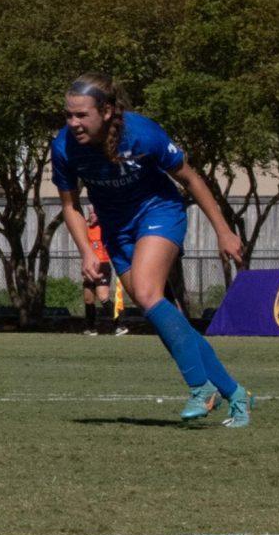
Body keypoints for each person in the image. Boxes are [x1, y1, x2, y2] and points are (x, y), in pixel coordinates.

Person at [53, 73, 252, 427]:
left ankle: (200, 389)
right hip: (117, 229)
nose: (73, 123)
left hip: (159, 212)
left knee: (147, 292)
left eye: (82, 115)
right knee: (160, 313)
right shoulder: (65, 147)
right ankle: (235, 393)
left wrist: (224, 230)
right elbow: (70, 205)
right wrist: (87, 252)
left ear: (108, 110)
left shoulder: (143, 134)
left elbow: (190, 178)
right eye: (68, 115)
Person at [82, 207, 126, 336]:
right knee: (88, 298)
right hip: (89, 265)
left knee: (103, 297)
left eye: (95, 213)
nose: (92, 215)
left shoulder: (105, 226)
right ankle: (91, 328)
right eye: (91, 213)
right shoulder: (85, 227)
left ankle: (120, 325)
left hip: (103, 264)